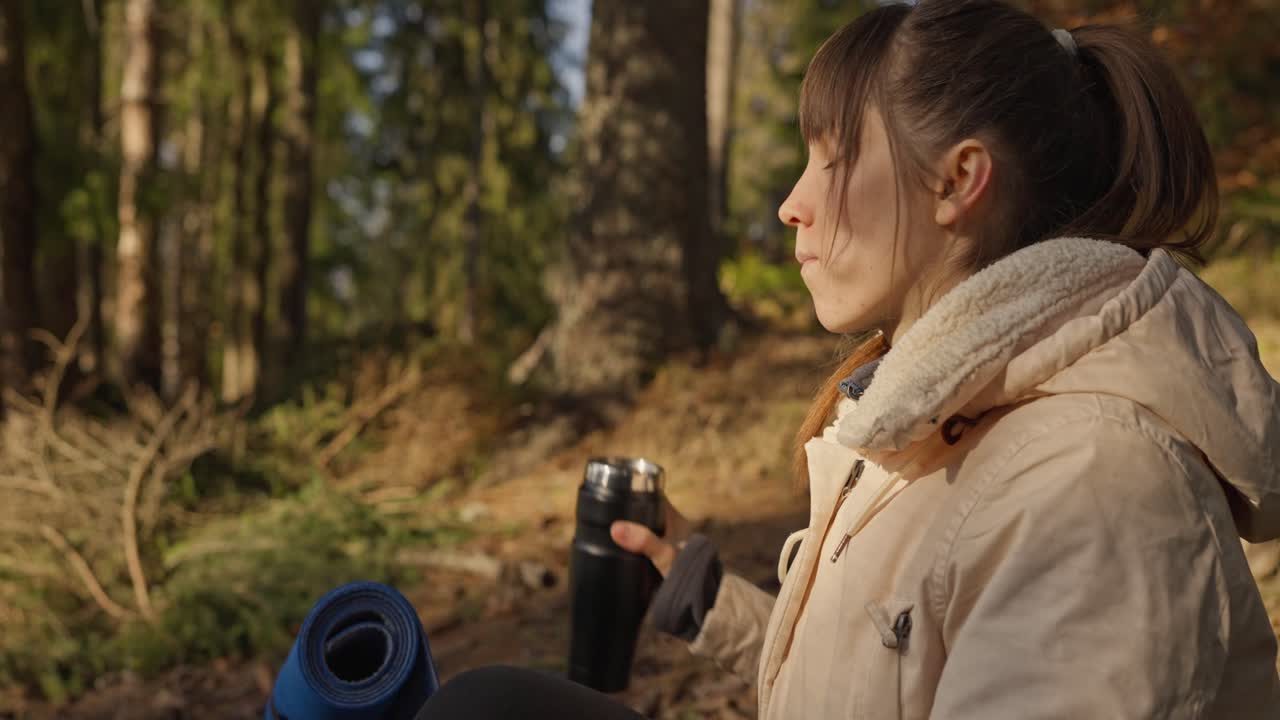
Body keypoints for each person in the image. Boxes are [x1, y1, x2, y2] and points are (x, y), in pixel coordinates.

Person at [416, 0, 1280, 717]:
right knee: (492, 703)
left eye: (833, 157)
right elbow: (873, 676)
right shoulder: (938, 418)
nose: (792, 204)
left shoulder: (1095, 480)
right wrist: (703, 597)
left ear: (957, 181)